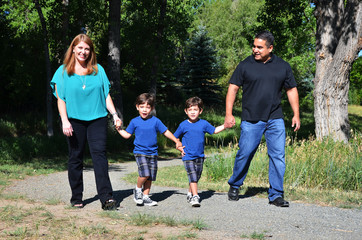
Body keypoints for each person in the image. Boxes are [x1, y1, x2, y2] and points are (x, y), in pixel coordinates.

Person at [224, 30, 300, 207]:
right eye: (254, 46)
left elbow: (291, 90)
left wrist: (296, 114)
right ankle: (235, 184)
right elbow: (233, 89)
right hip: (251, 118)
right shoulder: (245, 65)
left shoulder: (283, 66)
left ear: (270, 48)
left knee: (278, 156)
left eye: (260, 47)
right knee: (245, 153)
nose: (255, 50)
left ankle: (276, 195)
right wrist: (229, 114)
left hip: (275, 118)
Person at [50, 34, 121, 210]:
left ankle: (106, 198)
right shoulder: (62, 71)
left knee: (100, 156)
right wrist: (64, 121)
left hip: (97, 119)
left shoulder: (98, 70)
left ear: (91, 51)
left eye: (87, 48)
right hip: (74, 120)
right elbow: (61, 99)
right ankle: (76, 197)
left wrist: (115, 115)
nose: (83, 51)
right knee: (75, 157)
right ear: (73, 49)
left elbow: (106, 95)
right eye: (80, 48)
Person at [116, 93, 183, 206]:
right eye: (142, 107)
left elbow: (166, 132)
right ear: (137, 107)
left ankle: (146, 197)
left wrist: (176, 141)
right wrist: (118, 129)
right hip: (140, 152)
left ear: (152, 108)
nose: (145, 110)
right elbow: (127, 135)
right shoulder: (134, 121)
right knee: (145, 173)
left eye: (147, 107)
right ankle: (137, 190)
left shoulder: (156, 121)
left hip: (153, 152)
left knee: (150, 176)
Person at [174, 97, 225, 207]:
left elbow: (214, 131)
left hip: (200, 155)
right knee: (192, 176)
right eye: (190, 110)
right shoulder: (183, 125)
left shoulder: (204, 123)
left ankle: (190, 192)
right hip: (187, 155)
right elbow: (175, 138)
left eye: (195, 110)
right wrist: (179, 147)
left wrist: (225, 125)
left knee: (196, 176)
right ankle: (195, 196)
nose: (193, 112)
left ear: (200, 111)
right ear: (186, 111)